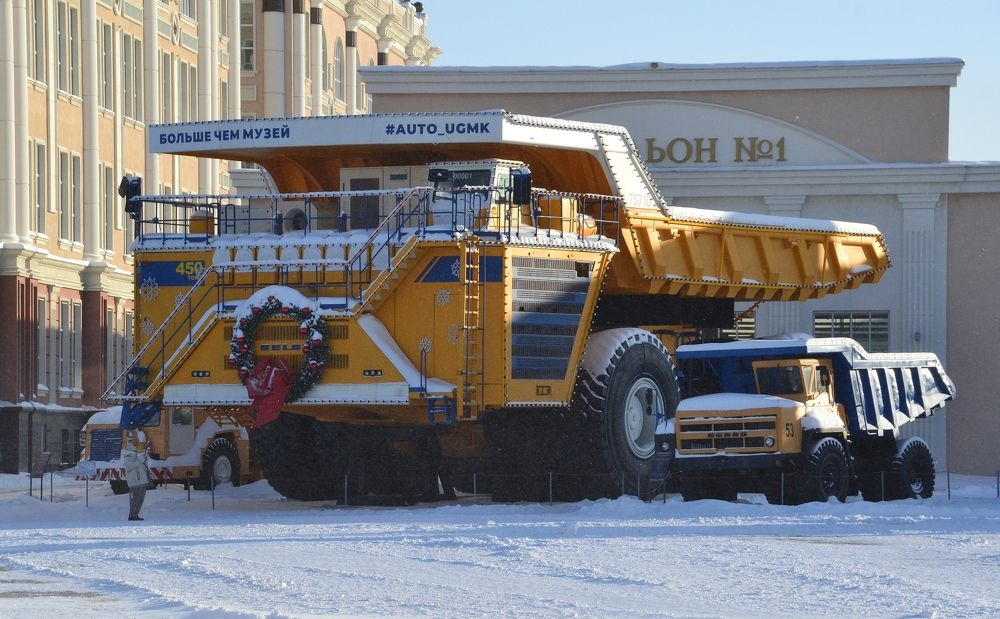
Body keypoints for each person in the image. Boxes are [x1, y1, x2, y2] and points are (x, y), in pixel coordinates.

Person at [122, 431, 150, 521]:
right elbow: (129, 466)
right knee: (135, 499)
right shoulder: (128, 455)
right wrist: (140, 460)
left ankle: (136, 514)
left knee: (140, 499)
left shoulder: (139, 454)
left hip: (142, 480)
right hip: (135, 481)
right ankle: (131, 515)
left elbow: (143, 465)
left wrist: (144, 459)